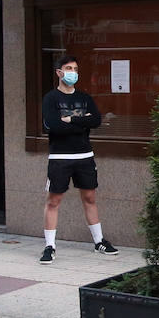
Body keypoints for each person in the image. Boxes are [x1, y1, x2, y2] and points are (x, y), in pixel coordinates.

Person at [39, 54, 118, 264]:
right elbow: (53, 125)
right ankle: (49, 246)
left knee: (90, 198)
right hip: (60, 157)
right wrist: (82, 122)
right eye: (68, 68)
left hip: (85, 156)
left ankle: (99, 241)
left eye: (75, 68)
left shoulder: (84, 98)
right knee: (54, 200)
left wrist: (71, 119)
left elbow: (97, 120)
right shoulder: (51, 98)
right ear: (59, 72)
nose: (72, 72)